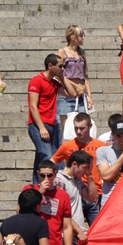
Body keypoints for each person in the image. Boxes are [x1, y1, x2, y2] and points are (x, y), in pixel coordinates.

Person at [28, 55, 77, 184]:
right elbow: (33, 106)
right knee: (47, 156)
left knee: (44, 155)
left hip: (53, 124)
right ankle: (54, 183)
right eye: (60, 66)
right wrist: (41, 128)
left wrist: (61, 77)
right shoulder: (36, 81)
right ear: (50, 66)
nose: (63, 68)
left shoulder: (54, 83)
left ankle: (36, 185)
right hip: (38, 124)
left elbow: (72, 93)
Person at [51, 112, 104, 226]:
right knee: (76, 228)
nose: (79, 131)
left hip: (94, 191)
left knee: (97, 228)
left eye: (82, 128)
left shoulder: (101, 145)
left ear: (90, 126)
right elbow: (51, 163)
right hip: (75, 192)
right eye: (76, 128)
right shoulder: (67, 146)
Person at [22, 161, 74, 245]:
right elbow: (20, 212)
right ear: (38, 174)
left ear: (55, 174)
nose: (46, 178)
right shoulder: (29, 190)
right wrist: (39, 193)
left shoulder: (63, 195)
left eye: (49, 175)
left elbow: (67, 226)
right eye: (43, 175)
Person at [54, 150, 97, 245]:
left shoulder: (77, 179)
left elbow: (93, 198)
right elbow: (61, 211)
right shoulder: (59, 180)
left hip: (78, 233)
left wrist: (90, 176)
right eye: (85, 168)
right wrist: (78, 231)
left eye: (88, 168)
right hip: (68, 234)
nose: (86, 171)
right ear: (74, 164)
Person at [55, 25, 92, 129]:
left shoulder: (81, 52)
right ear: (72, 37)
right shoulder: (62, 51)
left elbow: (85, 75)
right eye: (80, 35)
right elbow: (59, 74)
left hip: (82, 95)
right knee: (67, 129)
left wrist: (89, 96)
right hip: (67, 95)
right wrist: (75, 86)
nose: (82, 38)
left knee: (83, 128)